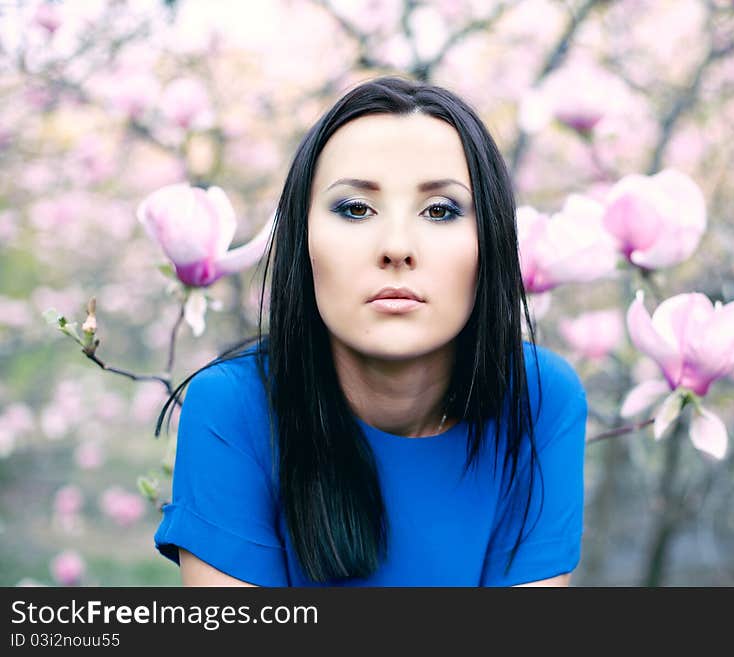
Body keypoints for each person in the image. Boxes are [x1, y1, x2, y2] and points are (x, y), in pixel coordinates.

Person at [152, 75, 589, 587]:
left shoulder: (538, 399)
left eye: (441, 210)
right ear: (303, 241)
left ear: (488, 243)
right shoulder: (232, 407)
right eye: (355, 208)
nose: (397, 246)